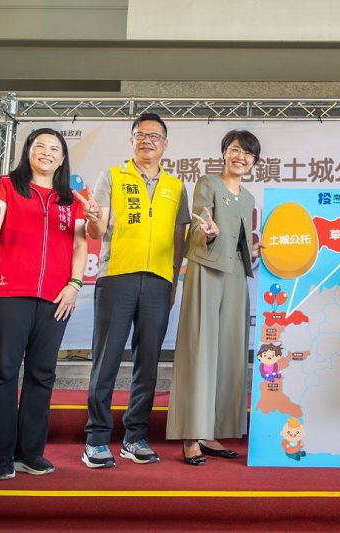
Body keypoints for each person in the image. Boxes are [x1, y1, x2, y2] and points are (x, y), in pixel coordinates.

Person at [0, 128, 87, 480]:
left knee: (42, 373)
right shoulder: (4, 186)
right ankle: (0, 454)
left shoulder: (72, 199)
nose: (46, 152)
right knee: (4, 370)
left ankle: (30, 452)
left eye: (54, 148)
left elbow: (80, 245)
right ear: (27, 151)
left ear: (63, 158)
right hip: (7, 292)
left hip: (56, 297)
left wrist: (74, 284)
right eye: (39, 145)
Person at [82, 113, 189, 468]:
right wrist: (93, 219)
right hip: (117, 277)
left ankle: (134, 437)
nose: (147, 140)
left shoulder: (176, 187)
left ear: (165, 144)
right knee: (106, 360)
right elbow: (96, 230)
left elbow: (179, 236)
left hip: (158, 281)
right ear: (131, 141)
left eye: (154, 136)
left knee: (148, 364)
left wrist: (173, 280)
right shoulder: (112, 176)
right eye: (140, 134)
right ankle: (97, 440)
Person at [166, 130, 261, 465]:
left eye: (247, 154)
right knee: (200, 349)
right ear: (223, 153)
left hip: (236, 275)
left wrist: (254, 250)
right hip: (206, 270)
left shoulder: (248, 198)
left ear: (254, 162)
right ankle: (191, 434)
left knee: (228, 352)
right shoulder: (208, 183)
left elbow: (239, 241)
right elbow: (197, 225)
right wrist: (206, 233)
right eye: (235, 150)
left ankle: (212, 431)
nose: (240, 157)